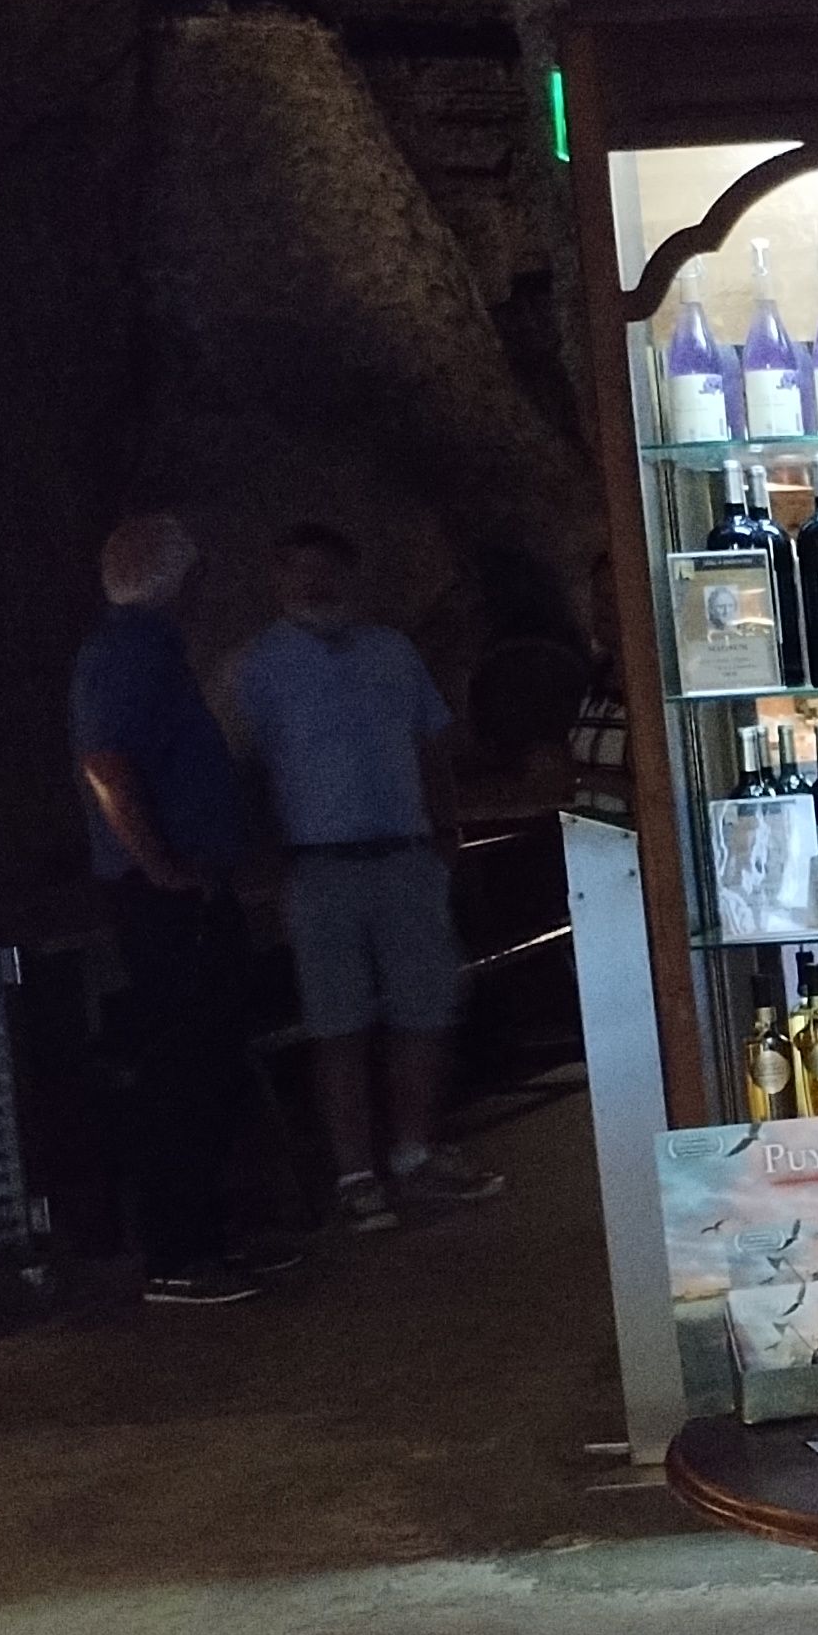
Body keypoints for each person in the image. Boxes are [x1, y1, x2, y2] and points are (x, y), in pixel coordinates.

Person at [224, 521, 505, 1232]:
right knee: (337, 1023)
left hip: (404, 855)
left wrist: (446, 830)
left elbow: (430, 743)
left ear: (350, 576)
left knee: (424, 1008)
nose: (312, 585)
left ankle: (414, 1152)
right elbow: (243, 767)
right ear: (277, 581)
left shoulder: (392, 651)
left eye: (324, 570)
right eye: (297, 571)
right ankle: (355, 1175)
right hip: (319, 866)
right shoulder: (257, 667)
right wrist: (263, 857)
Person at [74, 516, 285, 1306]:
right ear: (180, 580)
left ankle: (208, 1237)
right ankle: (178, 1252)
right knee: (185, 1066)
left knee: (209, 1059)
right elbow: (107, 764)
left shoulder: (146, 652)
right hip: (168, 897)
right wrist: (160, 865)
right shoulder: (129, 654)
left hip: (184, 887)